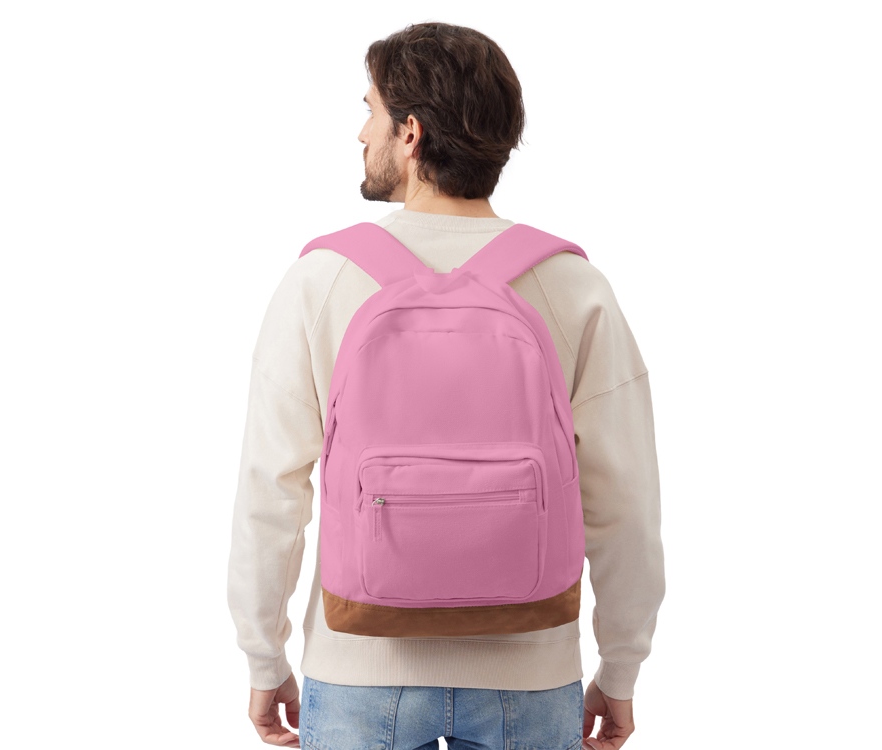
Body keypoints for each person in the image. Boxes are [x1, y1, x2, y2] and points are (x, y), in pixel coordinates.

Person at [227, 21, 665, 750]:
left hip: (358, 668)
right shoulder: (573, 287)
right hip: (530, 676)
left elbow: (269, 492)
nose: (360, 133)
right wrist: (620, 667)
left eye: (370, 111)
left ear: (411, 133)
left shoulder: (321, 282)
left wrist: (263, 654)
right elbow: (626, 503)